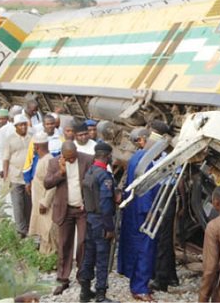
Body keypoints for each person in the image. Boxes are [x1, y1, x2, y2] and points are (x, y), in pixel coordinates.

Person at [44, 141, 93, 296]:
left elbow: (92, 183)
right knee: (64, 244)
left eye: (73, 157)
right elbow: (47, 183)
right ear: (63, 155)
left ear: (77, 152)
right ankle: (63, 279)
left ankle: (82, 277)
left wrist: (88, 201)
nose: (71, 160)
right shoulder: (54, 162)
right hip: (64, 209)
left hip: (82, 209)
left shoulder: (87, 159)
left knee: (83, 242)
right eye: (68, 158)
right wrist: (61, 172)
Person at [117, 127, 159, 301]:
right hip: (143, 211)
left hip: (134, 209)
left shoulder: (137, 156)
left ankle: (139, 283)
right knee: (144, 249)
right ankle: (139, 288)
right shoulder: (147, 160)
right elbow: (145, 188)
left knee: (137, 247)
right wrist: (149, 212)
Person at [78, 142, 116, 302]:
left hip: (90, 218)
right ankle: (101, 294)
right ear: (107, 156)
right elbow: (106, 204)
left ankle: (85, 291)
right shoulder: (104, 176)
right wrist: (109, 227)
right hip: (101, 220)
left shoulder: (90, 172)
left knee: (89, 255)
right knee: (102, 257)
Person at [149, 120, 179, 293]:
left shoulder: (165, 154)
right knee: (165, 237)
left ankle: (161, 280)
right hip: (166, 192)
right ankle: (171, 276)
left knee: (162, 238)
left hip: (164, 192)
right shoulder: (164, 152)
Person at [27, 132, 57, 255]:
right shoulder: (41, 160)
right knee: (41, 230)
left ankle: (51, 256)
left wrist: (45, 202)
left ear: (37, 147)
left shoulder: (48, 160)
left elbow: (52, 185)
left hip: (45, 204)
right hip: (38, 201)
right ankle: (44, 255)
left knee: (47, 230)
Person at [3, 114, 32, 238]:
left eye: (25, 124)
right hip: (15, 176)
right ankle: (21, 230)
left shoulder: (31, 138)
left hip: (28, 177)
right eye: (21, 125)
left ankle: (29, 228)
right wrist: (5, 175)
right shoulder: (10, 139)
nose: (23, 127)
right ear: (16, 126)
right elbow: (6, 159)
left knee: (28, 204)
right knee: (18, 204)